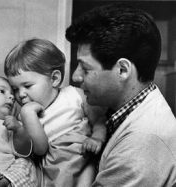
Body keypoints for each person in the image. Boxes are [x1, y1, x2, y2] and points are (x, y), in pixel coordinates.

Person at [66, 3, 176, 186]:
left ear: (123, 70)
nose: (75, 76)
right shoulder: (123, 108)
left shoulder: (140, 144)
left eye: (85, 68)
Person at [4, 38, 107, 186]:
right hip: (52, 171)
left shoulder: (75, 95)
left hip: (82, 159)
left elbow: (99, 120)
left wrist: (97, 138)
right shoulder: (25, 116)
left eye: (27, 85)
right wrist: (28, 115)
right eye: (15, 89)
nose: (20, 94)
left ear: (54, 79)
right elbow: (39, 150)